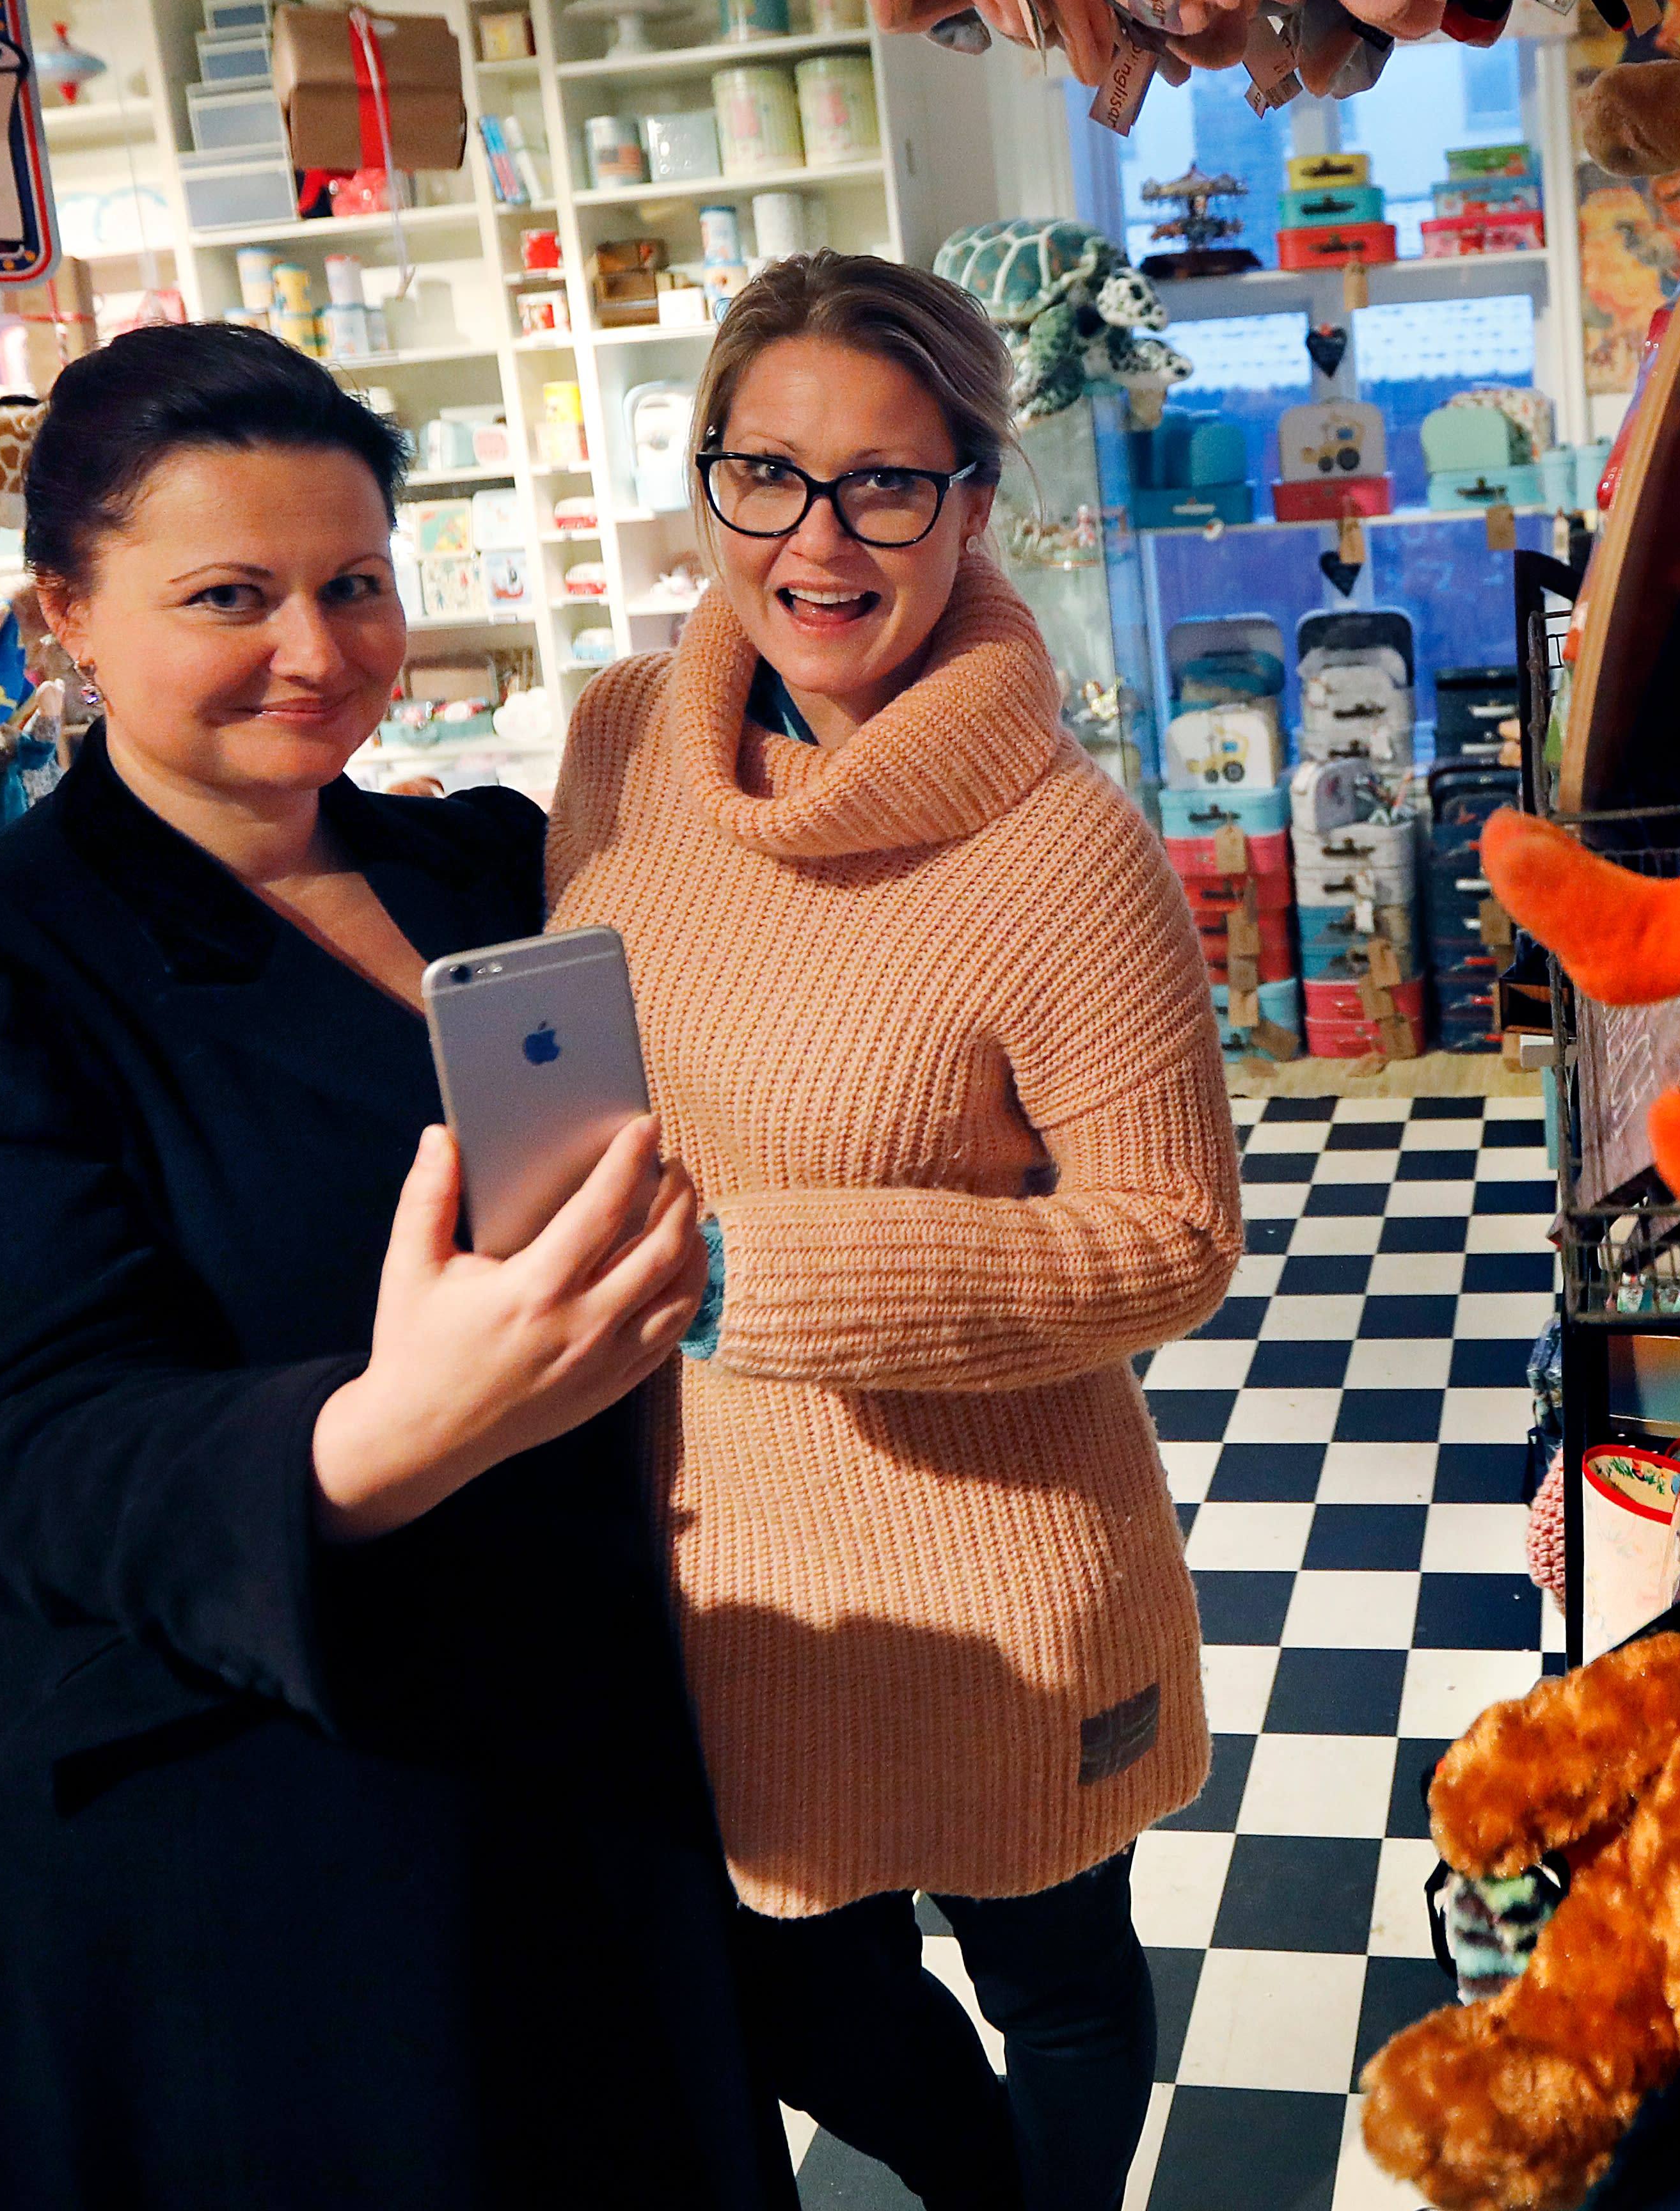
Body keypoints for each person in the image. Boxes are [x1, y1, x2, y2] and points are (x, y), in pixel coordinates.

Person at [0, 325, 778, 2208]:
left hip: (578, 1760)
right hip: (230, 1864)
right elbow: (20, 1459)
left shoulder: (495, 876)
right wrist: (389, 1431)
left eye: (354, 583)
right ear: (66, 617)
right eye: (230, 596)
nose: (317, 648)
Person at [546, 254, 1240, 2210]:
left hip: (1001, 1562)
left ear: (971, 503)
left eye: (885, 485)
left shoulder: (1061, 849)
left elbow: (1173, 1238)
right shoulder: (620, 749)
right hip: (717, 1556)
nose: (819, 539)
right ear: (708, 478)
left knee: (1056, 1983)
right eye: (767, 474)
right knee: (791, 1985)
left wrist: (765, 1274)